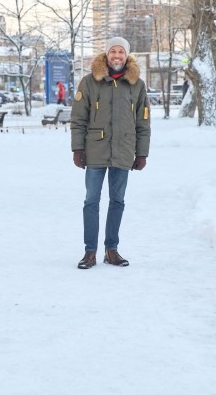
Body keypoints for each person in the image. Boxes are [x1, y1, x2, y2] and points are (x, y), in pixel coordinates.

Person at [70, 36, 151, 269]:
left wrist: (142, 153)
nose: (117, 56)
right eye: (113, 51)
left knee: (117, 201)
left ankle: (111, 250)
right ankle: (90, 252)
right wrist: (77, 149)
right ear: (106, 54)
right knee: (91, 201)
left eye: (121, 52)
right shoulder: (89, 82)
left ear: (127, 56)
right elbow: (78, 120)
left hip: (124, 150)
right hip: (95, 149)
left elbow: (143, 122)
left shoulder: (137, 85)